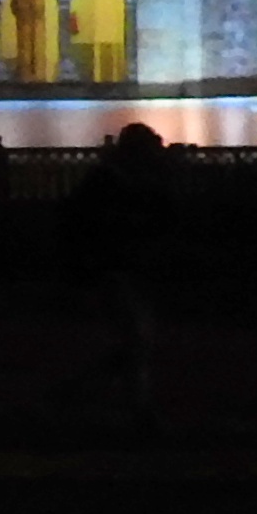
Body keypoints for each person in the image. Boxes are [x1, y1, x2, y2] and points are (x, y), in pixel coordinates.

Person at [60, 121, 172, 424]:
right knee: (137, 341)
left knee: (135, 342)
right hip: (115, 269)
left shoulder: (112, 180)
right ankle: (131, 404)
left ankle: (87, 392)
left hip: (119, 268)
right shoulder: (115, 182)